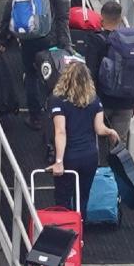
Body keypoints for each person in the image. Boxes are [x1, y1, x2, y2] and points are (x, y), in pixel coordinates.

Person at [0, 0, 72, 130]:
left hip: (28, 35)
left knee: (30, 74)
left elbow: (9, 10)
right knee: (53, 74)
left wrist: (2, 37)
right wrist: (66, 43)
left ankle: (35, 117)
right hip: (51, 36)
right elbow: (63, 15)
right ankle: (56, 116)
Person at [48, 61, 121, 217]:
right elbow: (99, 128)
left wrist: (58, 161)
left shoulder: (58, 100)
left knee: (63, 197)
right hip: (90, 156)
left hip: (69, 156)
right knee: (83, 197)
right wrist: (110, 131)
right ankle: (81, 231)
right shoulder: (94, 100)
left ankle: (66, 231)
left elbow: (60, 131)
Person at [82, 1, 134, 148]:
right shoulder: (131, 42)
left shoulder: (96, 40)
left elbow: (90, 71)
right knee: (118, 144)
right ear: (121, 19)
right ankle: (115, 170)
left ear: (101, 17)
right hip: (126, 102)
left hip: (102, 101)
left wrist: (90, 100)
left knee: (95, 140)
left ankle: (98, 169)